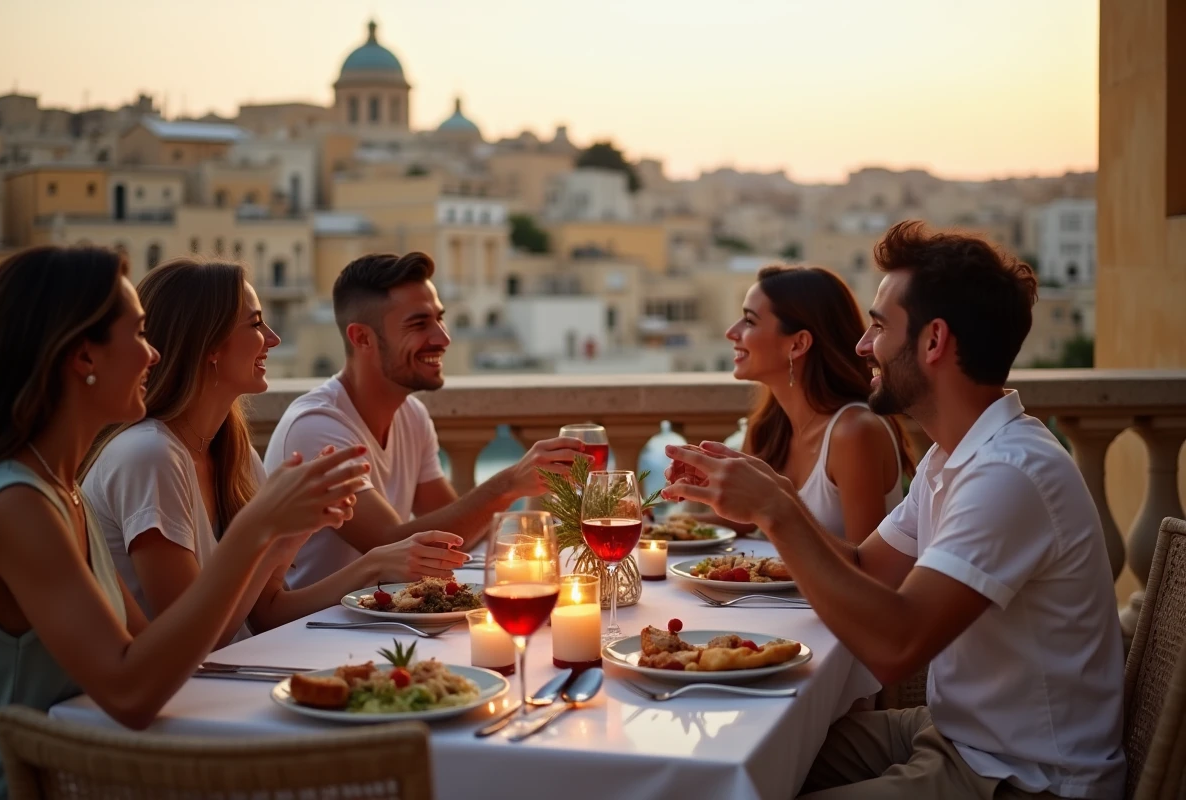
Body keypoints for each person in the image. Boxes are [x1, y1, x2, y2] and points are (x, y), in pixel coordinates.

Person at [662, 222, 1125, 799]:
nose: (861, 346)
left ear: (933, 342)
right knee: (732, 750)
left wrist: (777, 514)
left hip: (1020, 775)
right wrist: (774, 498)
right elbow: (863, 565)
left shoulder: (1008, 475)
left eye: (879, 327)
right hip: (950, 735)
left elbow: (894, 648)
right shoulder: (951, 458)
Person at [0, 246, 366, 800]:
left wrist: (277, 533)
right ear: (83, 358)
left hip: (100, 771)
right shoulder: (18, 503)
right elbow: (132, 693)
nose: (154, 355)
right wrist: (257, 530)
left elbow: (158, 653)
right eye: (139, 336)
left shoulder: (62, 491)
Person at [82, 258, 463, 647]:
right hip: (184, 693)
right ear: (209, 344)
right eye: (256, 323)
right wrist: (269, 528)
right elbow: (193, 642)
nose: (273, 338)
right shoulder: (150, 456)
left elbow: (267, 612)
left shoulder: (233, 451)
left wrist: (356, 557)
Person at [266, 252, 584, 589]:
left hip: (380, 621)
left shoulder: (412, 416)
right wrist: (508, 484)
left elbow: (456, 538)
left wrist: (535, 506)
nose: (443, 338)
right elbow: (389, 543)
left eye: (439, 319)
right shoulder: (317, 426)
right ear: (362, 338)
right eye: (419, 324)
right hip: (310, 631)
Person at [715, 265, 913, 543]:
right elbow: (742, 522)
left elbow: (866, 566)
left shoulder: (854, 432)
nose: (731, 332)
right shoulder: (769, 423)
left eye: (749, 321)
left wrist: (776, 512)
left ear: (798, 344)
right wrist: (657, 518)